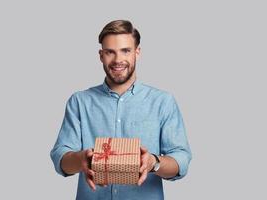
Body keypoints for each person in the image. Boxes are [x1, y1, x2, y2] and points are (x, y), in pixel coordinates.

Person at [50, 19, 192, 200]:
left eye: (125, 51)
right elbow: (60, 157)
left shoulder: (163, 102)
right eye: (110, 52)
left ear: (137, 53)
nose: (118, 60)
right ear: (101, 55)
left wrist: (154, 163)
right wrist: (80, 161)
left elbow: (181, 160)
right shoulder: (79, 102)